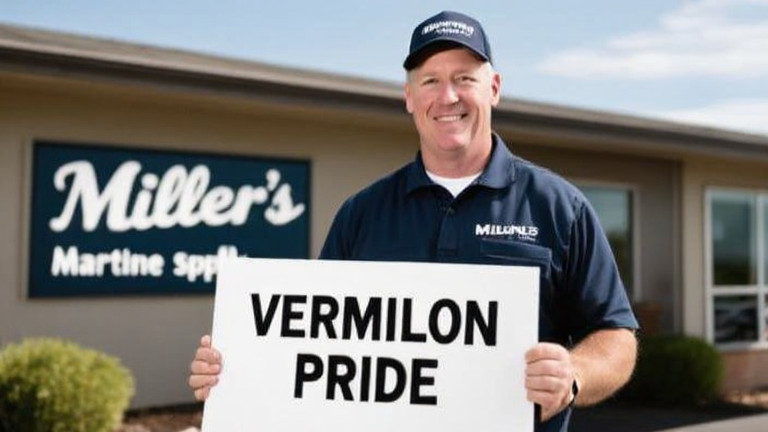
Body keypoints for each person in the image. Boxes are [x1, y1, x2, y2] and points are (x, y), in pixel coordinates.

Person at [189, 10, 638, 432]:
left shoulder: (560, 207)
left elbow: (616, 334)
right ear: (409, 97)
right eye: (430, 81)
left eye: (465, 78)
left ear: (494, 87)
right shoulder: (361, 213)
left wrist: (573, 373)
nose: (448, 97)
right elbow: (314, 349)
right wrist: (240, 369)